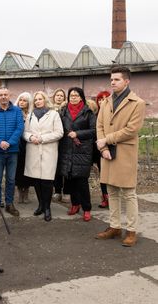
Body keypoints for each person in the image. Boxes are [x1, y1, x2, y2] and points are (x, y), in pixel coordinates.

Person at [95, 66, 146, 247]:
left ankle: (131, 230)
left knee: (128, 193)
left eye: (116, 79)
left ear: (127, 81)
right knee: (112, 191)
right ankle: (115, 226)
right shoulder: (106, 101)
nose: (112, 82)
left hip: (124, 152)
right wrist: (103, 148)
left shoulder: (137, 103)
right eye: (111, 79)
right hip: (107, 151)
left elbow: (131, 130)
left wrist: (106, 140)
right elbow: (99, 125)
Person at [23, 91, 63, 221]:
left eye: (40, 99)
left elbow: (59, 133)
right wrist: (30, 137)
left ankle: (47, 207)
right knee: (36, 180)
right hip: (33, 150)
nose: (37, 102)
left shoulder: (54, 114)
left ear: (45, 100)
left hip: (48, 150)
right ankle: (40, 205)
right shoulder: (30, 115)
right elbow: (25, 132)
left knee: (47, 181)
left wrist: (41, 138)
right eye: (35, 100)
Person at [59, 87, 96, 222]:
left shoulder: (88, 112)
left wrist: (78, 134)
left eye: (76, 95)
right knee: (70, 179)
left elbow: (93, 131)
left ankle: (87, 208)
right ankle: (75, 204)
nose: (73, 97)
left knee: (81, 181)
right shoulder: (63, 111)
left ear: (81, 97)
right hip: (67, 149)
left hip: (82, 150)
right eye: (71, 95)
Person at [0, 87, 24, 217]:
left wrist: (10, 142)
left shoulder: (17, 111)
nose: (3, 97)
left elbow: (20, 127)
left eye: (5, 95)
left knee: (11, 179)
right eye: (1, 95)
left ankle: (9, 204)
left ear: (10, 96)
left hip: (12, 150)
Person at [14, 92, 33, 204]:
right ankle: (19, 192)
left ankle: (26, 191)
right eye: (20, 100)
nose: (22, 102)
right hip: (17, 143)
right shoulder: (15, 112)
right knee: (18, 168)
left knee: (28, 168)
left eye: (24, 100)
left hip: (29, 143)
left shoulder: (32, 114)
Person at [51, 88, 69, 203]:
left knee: (66, 167)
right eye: (57, 95)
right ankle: (57, 191)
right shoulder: (50, 110)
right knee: (56, 168)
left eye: (61, 95)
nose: (59, 97)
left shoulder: (67, 109)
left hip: (66, 141)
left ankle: (66, 191)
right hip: (53, 142)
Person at [95, 91, 112, 209]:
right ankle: (105, 197)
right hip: (96, 148)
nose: (101, 101)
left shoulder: (111, 113)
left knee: (110, 174)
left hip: (109, 146)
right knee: (102, 175)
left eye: (104, 99)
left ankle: (112, 198)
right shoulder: (95, 114)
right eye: (100, 99)